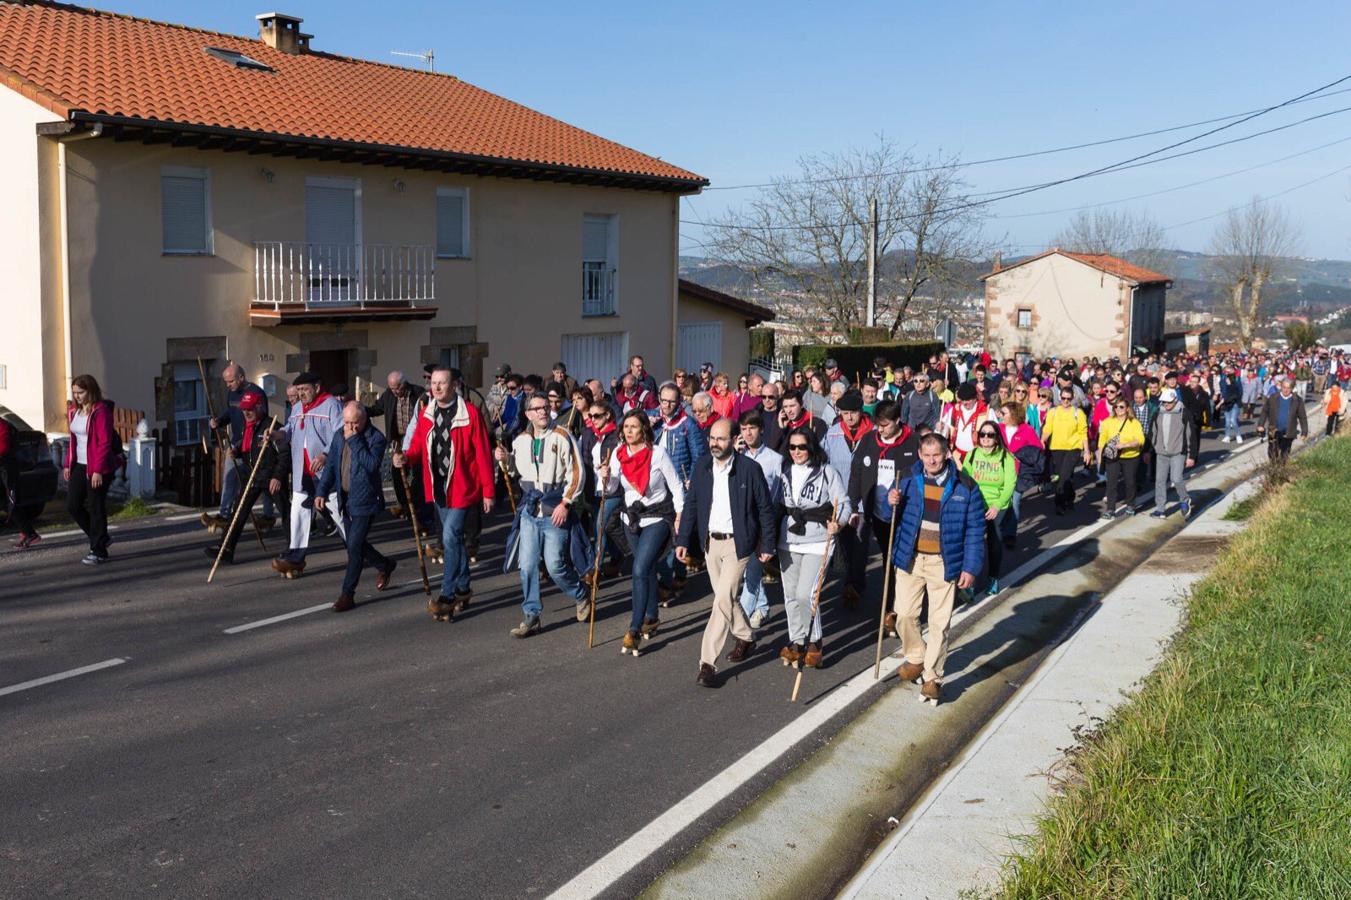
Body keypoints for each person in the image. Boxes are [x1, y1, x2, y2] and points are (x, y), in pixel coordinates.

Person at [676, 418, 777, 688]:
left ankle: (707, 664)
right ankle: (746, 637)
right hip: (711, 543)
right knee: (727, 599)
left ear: (734, 441)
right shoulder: (702, 466)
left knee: (721, 599)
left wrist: (767, 545)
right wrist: (683, 539)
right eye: (711, 438)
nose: (714, 443)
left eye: (720, 439)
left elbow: (765, 510)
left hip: (738, 544)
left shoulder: (749, 469)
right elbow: (692, 505)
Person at [887, 433, 987, 705]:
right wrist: (889, 501)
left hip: (944, 560)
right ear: (919, 454)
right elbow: (887, 516)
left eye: (937, 454)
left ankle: (932, 677)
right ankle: (917, 657)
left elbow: (976, 530)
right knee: (904, 615)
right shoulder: (906, 479)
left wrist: (970, 567)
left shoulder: (965, 486)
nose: (931, 460)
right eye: (926, 454)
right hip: (910, 557)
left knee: (939, 623)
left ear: (946, 454)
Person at [397, 366, 496, 620]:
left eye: (442, 383)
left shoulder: (470, 414)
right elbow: (418, 446)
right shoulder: (427, 414)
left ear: (454, 386)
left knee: (451, 536)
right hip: (439, 487)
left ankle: (448, 594)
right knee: (455, 540)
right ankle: (464, 587)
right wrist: (405, 457)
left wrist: (488, 491)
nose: (437, 387)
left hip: (463, 487)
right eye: (434, 383)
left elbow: (484, 454)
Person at [496, 392, 589, 637]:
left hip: (554, 508)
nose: (543, 411)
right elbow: (516, 470)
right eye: (537, 408)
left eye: (545, 407)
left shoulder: (562, 435)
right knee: (527, 566)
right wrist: (505, 460)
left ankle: (581, 594)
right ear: (528, 414)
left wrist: (565, 503)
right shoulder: (521, 440)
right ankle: (531, 614)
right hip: (529, 511)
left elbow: (577, 473)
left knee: (555, 566)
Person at [599, 410, 684, 656]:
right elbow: (613, 487)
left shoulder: (658, 454)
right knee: (645, 569)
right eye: (626, 426)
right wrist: (604, 476)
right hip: (631, 518)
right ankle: (652, 617)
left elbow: (676, 486)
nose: (629, 431)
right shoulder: (617, 454)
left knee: (638, 568)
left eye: (634, 426)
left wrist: (679, 516)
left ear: (644, 429)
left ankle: (634, 629)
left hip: (657, 515)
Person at [777, 425, 850, 669]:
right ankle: (796, 641)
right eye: (792, 447)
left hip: (818, 539)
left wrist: (838, 523)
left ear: (811, 447)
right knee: (790, 595)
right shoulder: (783, 470)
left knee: (806, 594)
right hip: (788, 539)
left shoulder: (827, 471)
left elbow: (844, 503)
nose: (797, 451)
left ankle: (815, 641)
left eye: (802, 447)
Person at [313, 403, 396, 612]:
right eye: (346, 422)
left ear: (364, 419)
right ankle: (384, 564)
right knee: (353, 544)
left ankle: (347, 594)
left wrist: (355, 440)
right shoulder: (339, 435)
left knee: (355, 548)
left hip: (366, 500)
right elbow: (332, 465)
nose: (349, 427)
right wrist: (321, 491)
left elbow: (371, 465)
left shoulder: (375, 438)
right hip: (345, 499)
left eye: (354, 423)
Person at [847, 399, 919, 611]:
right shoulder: (869, 439)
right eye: (878, 424)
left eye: (886, 425)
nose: (881, 429)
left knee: (899, 561)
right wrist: (852, 505)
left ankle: (896, 608)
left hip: (904, 514)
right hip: (876, 513)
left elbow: (921, 476)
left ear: (897, 420)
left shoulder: (913, 441)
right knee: (889, 561)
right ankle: (891, 607)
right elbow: (856, 473)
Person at [273, 373, 345, 578]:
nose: (301, 394)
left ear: (317, 386)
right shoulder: (296, 409)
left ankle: (356, 547)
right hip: (302, 471)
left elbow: (340, 435)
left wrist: (325, 455)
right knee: (298, 514)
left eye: (305, 389)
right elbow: (289, 430)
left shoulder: (331, 405)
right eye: (299, 390)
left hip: (324, 472)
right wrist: (278, 435)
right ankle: (295, 556)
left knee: (337, 513)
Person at [204, 392, 288, 565]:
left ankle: (293, 550)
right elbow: (248, 450)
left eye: (249, 409)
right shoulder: (248, 427)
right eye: (244, 410)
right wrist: (237, 452)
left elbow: (285, 455)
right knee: (239, 512)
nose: (246, 413)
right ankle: (226, 548)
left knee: (286, 512)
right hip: (254, 477)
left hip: (272, 478)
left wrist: (278, 477)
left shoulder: (272, 427)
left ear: (259, 407)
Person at [204, 364, 274, 531]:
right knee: (229, 478)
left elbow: (258, 421)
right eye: (226, 382)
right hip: (236, 444)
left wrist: (241, 444)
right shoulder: (232, 394)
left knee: (260, 482)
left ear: (241, 377)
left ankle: (268, 515)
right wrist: (218, 421)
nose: (228, 385)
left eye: (231, 381)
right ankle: (224, 515)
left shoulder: (257, 394)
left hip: (252, 446)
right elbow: (231, 413)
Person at [823, 390, 874, 609]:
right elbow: (823, 463)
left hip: (863, 501)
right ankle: (849, 579)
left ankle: (854, 585)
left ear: (861, 412)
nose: (850, 417)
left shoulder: (872, 434)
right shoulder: (832, 434)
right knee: (842, 545)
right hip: (839, 500)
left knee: (860, 544)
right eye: (845, 413)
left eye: (853, 412)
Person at [735, 409, 784, 628]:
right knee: (745, 570)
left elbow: (780, 494)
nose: (747, 433)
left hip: (763, 522)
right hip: (739, 522)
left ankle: (741, 620)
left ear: (761, 429)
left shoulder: (775, 459)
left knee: (753, 570)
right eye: (743, 429)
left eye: (751, 428)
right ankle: (762, 607)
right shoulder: (736, 457)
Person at [65, 374, 119, 565]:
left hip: (98, 466)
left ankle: (98, 550)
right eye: (74, 393)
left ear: (91, 391)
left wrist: (97, 470)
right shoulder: (74, 411)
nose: (77, 396)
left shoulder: (101, 411)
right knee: (73, 505)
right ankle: (101, 537)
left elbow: (104, 443)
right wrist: (67, 463)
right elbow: (73, 440)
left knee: (96, 506)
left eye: (80, 392)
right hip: (79, 464)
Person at [962, 423, 1016, 595]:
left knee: (994, 544)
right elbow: (965, 480)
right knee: (972, 543)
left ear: (996, 437)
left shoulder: (1005, 457)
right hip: (975, 505)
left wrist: (997, 506)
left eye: (990, 435)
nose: (986, 437)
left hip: (997, 505)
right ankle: (970, 582)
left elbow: (1010, 484)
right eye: (982, 434)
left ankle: (993, 577)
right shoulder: (971, 455)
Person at [579, 398, 625, 583]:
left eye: (596, 416)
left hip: (612, 490)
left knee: (599, 527)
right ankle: (618, 555)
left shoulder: (617, 436)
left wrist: (609, 471)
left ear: (607, 416)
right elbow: (585, 460)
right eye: (590, 416)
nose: (593, 419)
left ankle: (594, 570)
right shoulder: (589, 434)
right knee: (604, 528)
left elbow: (622, 463)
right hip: (594, 490)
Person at [371, 370, 425, 518]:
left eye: (396, 388)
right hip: (397, 441)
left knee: (418, 473)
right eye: (391, 388)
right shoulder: (389, 395)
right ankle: (405, 505)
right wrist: (361, 410)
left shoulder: (418, 393)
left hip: (416, 440)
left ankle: (418, 504)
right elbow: (377, 408)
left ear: (404, 384)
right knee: (397, 474)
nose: (394, 391)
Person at [996, 402, 1042, 549]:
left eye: (1004, 413)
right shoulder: (998, 428)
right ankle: (997, 530)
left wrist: (1021, 456)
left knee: (1014, 502)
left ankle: (1010, 534)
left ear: (1013, 415)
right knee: (1000, 501)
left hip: (1018, 473)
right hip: (998, 472)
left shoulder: (1026, 430)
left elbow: (1037, 449)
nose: (1000, 416)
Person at [1148, 388, 1196, 518]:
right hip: (1161, 453)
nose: (1166, 404)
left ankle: (1185, 499)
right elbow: (1152, 431)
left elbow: (1190, 434)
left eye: (1168, 402)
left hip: (1178, 452)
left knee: (1176, 479)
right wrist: (1151, 448)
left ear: (1175, 400)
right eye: (1163, 402)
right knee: (1160, 481)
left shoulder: (1183, 412)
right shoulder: (1158, 411)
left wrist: (1191, 456)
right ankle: (1160, 509)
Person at [1042, 384, 1089, 516]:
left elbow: (1083, 433)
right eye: (1063, 398)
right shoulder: (1053, 412)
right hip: (1057, 448)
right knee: (1065, 476)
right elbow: (1047, 430)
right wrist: (1042, 441)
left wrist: (1086, 451)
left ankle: (1059, 503)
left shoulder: (1078, 413)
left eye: (1068, 398)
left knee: (1063, 477)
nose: (1066, 401)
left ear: (1073, 398)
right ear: (1059, 397)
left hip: (1073, 448)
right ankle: (1070, 497)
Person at [1097, 397, 1145, 519]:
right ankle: (1110, 509)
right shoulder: (1108, 422)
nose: (1118, 409)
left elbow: (1140, 440)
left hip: (1130, 456)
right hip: (1112, 457)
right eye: (1116, 407)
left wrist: (1125, 445)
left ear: (1127, 408)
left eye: (1121, 407)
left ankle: (1130, 505)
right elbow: (1102, 440)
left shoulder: (1134, 422)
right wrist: (1099, 457)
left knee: (1130, 482)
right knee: (1111, 483)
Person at [1, 415, 40, 549]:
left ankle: (29, 534)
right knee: (8, 503)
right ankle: (27, 533)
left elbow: (3, 448)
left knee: (9, 502)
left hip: (5, 469)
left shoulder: (2, 425)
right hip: (5, 469)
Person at [1256, 376, 1308, 462]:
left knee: (1284, 454)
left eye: (1288, 388)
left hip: (1289, 432)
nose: (1286, 390)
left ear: (1292, 388)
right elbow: (1265, 411)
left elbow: (1302, 417)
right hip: (1274, 430)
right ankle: (1273, 469)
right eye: (1284, 387)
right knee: (1273, 452)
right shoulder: (1273, 398)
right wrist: (1260, 425)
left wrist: (1304, 432)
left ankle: (1281, 470)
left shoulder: (1297, 400)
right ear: (1281, 387)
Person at [774, 389, 827, 453]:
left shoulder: (817, 423)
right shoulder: (781, 422)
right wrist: (780, 429)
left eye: (792, 406)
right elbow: (772, 449)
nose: (788, 411)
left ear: (801, 405)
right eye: (785, 407)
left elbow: (819, 451)